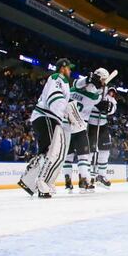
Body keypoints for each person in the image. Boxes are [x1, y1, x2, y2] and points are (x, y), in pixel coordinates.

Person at [18, 58, 75, 198]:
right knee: (51, 150)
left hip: (48, 116)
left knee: (47, 150)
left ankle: (32, 180)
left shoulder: (64, 82)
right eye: (69, 68)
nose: (70, 70)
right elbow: (54, 99)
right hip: (46, 116)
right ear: (63, 68)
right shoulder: (57, 78)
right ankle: (40, 182)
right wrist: (62, 114)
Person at [64, 67, 110, 192]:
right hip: (80, 127)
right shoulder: (94, 97)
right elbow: (101, 101)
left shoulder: (72, 89)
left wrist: (88, 79)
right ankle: (84, 180)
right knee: (83, 156)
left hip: (65, 125)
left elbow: (77, 84)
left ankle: (67, 182)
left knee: (68, 156)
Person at [88, 85, 117, 188]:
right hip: (91, 124)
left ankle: (101, 176)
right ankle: (88, 178)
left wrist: (108, 107)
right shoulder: (96, 92)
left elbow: (113, 109)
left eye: (113, 92)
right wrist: (97, 103)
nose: (112, 93)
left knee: (105, 150)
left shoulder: (111, 99)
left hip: (103, 125)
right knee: (90, 152)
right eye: (111, 91)